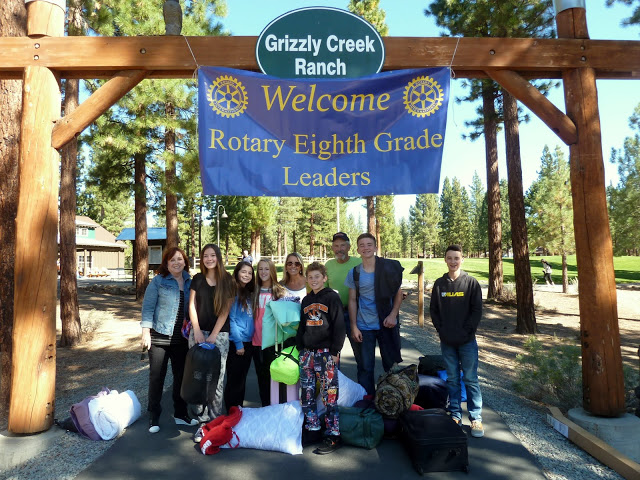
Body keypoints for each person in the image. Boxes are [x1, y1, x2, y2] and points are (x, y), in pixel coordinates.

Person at [429, 244, 484, 438]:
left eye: (456, 258)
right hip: (447, 341)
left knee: (470, 379)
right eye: (450, 258)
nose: (453, 261)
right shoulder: (439, 284)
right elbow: (434, 310)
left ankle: (475, 418)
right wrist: (441, 330)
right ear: (445, 260)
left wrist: (467, 332)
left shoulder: (471, 283)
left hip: (467, 341)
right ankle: (455, 415)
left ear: (462, 259)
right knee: (452, 379)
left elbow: (477, 310)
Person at [141, 247, 198, 433]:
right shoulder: (158, 281)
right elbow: (148, 308)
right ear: (166, 263)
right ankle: (154, 416)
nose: (176, 263)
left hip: (181, 339)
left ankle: (181, 413)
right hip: (159, 337)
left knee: (181, 378)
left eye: (180, 259)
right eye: (172, 260)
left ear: (185, 262)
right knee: (157, 377)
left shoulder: (190, 281)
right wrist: (145, 332)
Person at [296, 262, 346, 455]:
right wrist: (301, 347)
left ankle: (333, 434)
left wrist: (335, 351)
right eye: (310, 277)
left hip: (325, 354)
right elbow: (302, 325)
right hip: (307, 354)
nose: (313, 280)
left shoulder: (332, 297)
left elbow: (339, 325)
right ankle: (313, 428)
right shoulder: (306, 300)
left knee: (329, 395)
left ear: (324, 278)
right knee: (307, 394)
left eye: (317, 276)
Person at [345, 233, 404, 395]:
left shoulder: (388, 269)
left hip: (386, 323)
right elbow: (352, 300)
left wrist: (393, 315)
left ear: (376, 247)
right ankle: (367, 399)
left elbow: (398, 293)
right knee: (365, 367)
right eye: (362, 245)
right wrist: (354, 326)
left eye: (369, 244)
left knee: (391, 365)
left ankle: (391, 399)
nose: (366, 248)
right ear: (358, 250)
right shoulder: (354, 273)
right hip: (364, 326)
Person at [187, 243, 235, 428]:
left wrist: (214, 334)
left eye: (212, 255)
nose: (209, 259)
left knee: (217, 378)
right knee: (198, 376)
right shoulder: (198, 279)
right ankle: (202, 420)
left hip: (219, 334)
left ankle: (215, 421)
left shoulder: (227, 280)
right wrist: (197, 330)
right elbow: (192, 305)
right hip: (198, 332)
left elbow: (225, 311)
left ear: (218, 257)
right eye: (205, 256)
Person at [251, 258, 287, 406]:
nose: (263, 272)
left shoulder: (280, 291)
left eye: (266, 269)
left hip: (274, 342)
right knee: (262, 377)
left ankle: (277, 407)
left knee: (276, 377)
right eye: (260, 269)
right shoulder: (253, 291)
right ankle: (265, 407)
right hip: (256, 341)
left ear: (272, 271)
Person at [224, 261, 255, 410]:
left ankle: (238, 410)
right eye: (243, 272)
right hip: (238, 344)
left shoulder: (247, 292)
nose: (246, 275)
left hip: (248, 342)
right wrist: (238, 344)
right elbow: (232, 319)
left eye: (249, 273)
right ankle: (231, 412)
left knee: (241, 380)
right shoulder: (233, 292)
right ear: (236, 273)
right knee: (234, 381)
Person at [325, 232, 361, 350]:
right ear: (332, 248)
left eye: (342, 245)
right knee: (333, 350)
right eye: (336, 246)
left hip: (356, 313)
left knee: (359, 349)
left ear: (349, 247)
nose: (339, 249)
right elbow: (323, 290)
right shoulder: (328, 265)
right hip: (334, 314)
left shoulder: (359, 263)